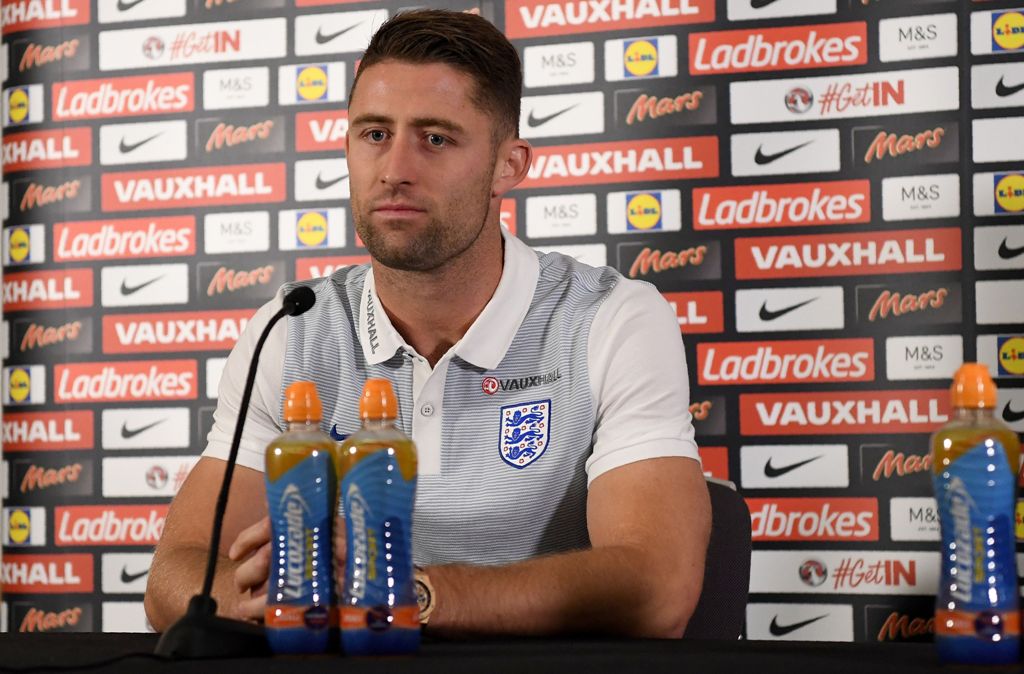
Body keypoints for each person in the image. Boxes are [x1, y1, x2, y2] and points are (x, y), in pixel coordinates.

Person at [144, 9, 710, 638]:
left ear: (509, 165)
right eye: (374, 134)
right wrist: (253, 596)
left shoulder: (612, 318)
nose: (395, 169)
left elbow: (657, 590)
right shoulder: (293, 327)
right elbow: (174, 578)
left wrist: (402, 593)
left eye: (435, 138)